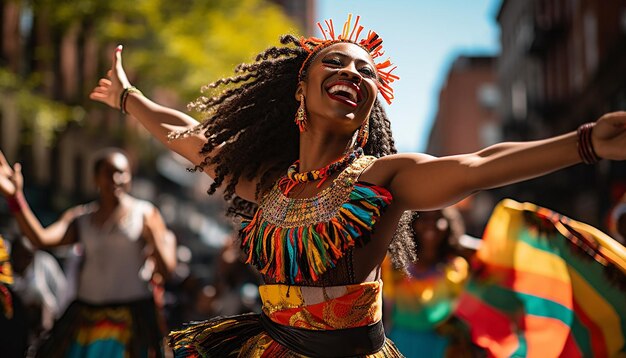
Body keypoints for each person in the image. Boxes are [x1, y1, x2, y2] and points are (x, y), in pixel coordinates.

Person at [88, 14, 626, 357]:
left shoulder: (385, 178)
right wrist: (127, 97)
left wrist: (585, 143)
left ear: (368, 108)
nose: (353, 72)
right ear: (301, 88)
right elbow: (187, 134)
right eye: (336, 62)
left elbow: (480, 163)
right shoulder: (266, 182)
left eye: (366, 71)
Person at [0, 148, 177, 357]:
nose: (116, 179)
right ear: (95, 178)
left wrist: (155, 238)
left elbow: (167, 271)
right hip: (87, 321)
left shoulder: (145, 213)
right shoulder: (81, 217)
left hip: (131, 322)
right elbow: (40, 239)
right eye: (108, 172)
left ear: (130, 176)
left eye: (122, 172)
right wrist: (15, 197)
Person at [382, 209, 476, 357]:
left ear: (449, 225)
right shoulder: (396, 263)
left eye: (437, 219)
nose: (430, 225)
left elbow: (463, 310)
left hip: (437, 345)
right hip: (396, 339)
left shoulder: (456, 267)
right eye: (424, 218)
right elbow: (386, 304)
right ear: (412, 223)